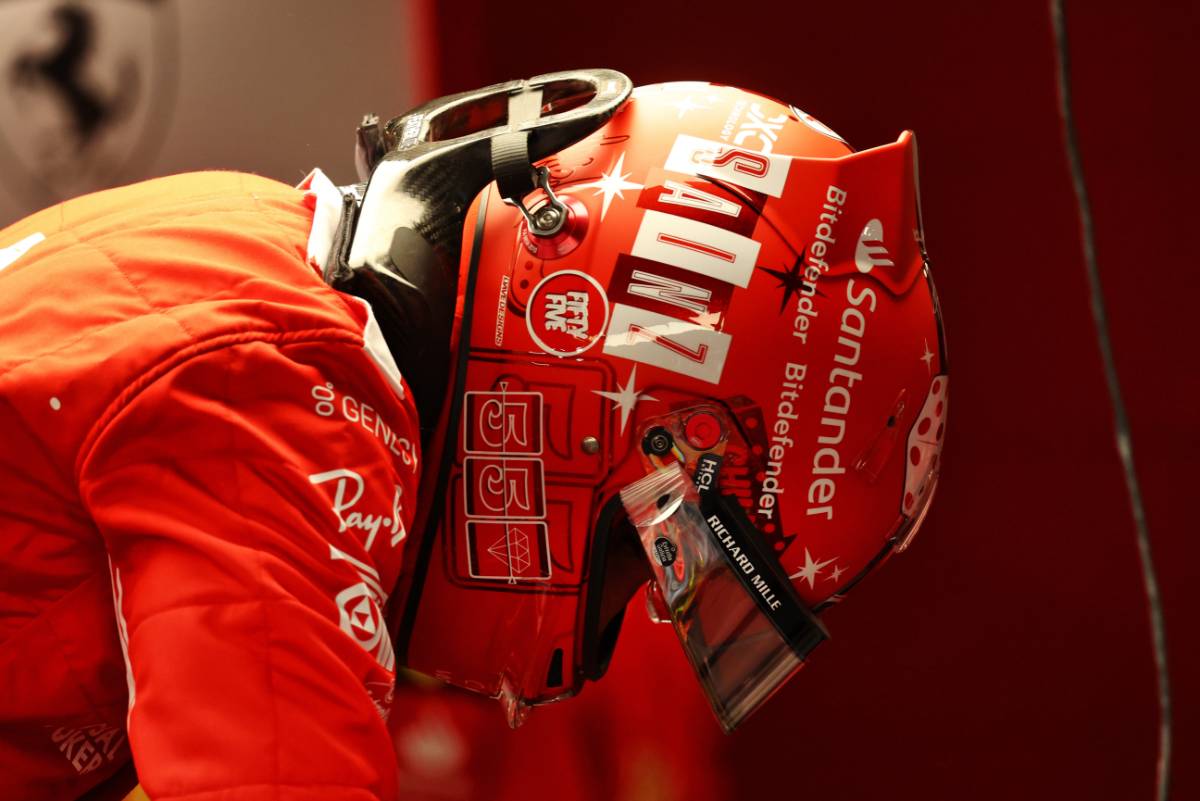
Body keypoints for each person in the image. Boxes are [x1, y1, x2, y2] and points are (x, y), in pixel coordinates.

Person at [0, 69, 947, 800]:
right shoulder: (291, 399)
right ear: (586, 381)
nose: (619, 614)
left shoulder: (263, 262)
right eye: (649, 557)